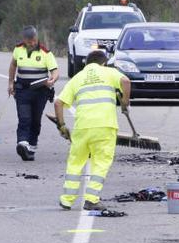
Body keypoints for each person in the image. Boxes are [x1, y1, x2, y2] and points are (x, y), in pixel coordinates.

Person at [53, 49, 131, 212]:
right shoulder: (108, 72)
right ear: (103, 62)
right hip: (105, 126)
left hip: (81, 128)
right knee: (101, 162)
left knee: (75, 162)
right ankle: (91, 199)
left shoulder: (78, 78)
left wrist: (62, 125)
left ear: (87, 63)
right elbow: (126, 81)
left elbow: (58, 103)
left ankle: (67, 200)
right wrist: (124, 101)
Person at [8, 25, 59, 161]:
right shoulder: (18, 49)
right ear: (24, 40)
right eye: (29, 41)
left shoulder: (45, 52)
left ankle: (31, 146)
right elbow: (13, 65)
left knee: (35, 120)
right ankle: (22, 143)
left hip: (40, 92)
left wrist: (52, 80)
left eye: (34, 40)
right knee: (24, 118)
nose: (32, 43)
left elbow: (54, 71)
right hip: (22, 90)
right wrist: (11, 82)